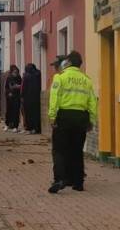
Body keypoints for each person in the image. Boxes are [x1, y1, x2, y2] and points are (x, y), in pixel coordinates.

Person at [48, 51, 97, 194]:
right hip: (81, 117)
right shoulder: (86, 80)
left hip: (63, 116)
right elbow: (92, 102)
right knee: (77, 150)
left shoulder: (60, 77)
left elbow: (54, 97)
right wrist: (92, 120)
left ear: (67, 63)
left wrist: (52, 116)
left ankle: (59, 179)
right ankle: (78, 183)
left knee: (59, 150)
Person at [22, 63, 42, 134]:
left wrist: (22, 96)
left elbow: (23, 88)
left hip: (28, 98)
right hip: (37, 97)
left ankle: (30, 128)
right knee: (36, 113)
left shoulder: (26, 76)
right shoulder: (39, 74)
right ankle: (37, 128)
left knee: (29, 114)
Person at [4, 65, 23, 132]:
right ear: (11, 72)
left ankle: (15, 126)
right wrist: (8, 92)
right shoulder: (9, 78)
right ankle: (7, 125)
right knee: (9, 111)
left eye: (16, 72)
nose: (15, 73)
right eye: (14, 72)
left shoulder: (19, 78)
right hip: (10, 98)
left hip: (17, 97)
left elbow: (22, 86)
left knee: (16, 112)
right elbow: (6, 87)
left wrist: (18, 86)